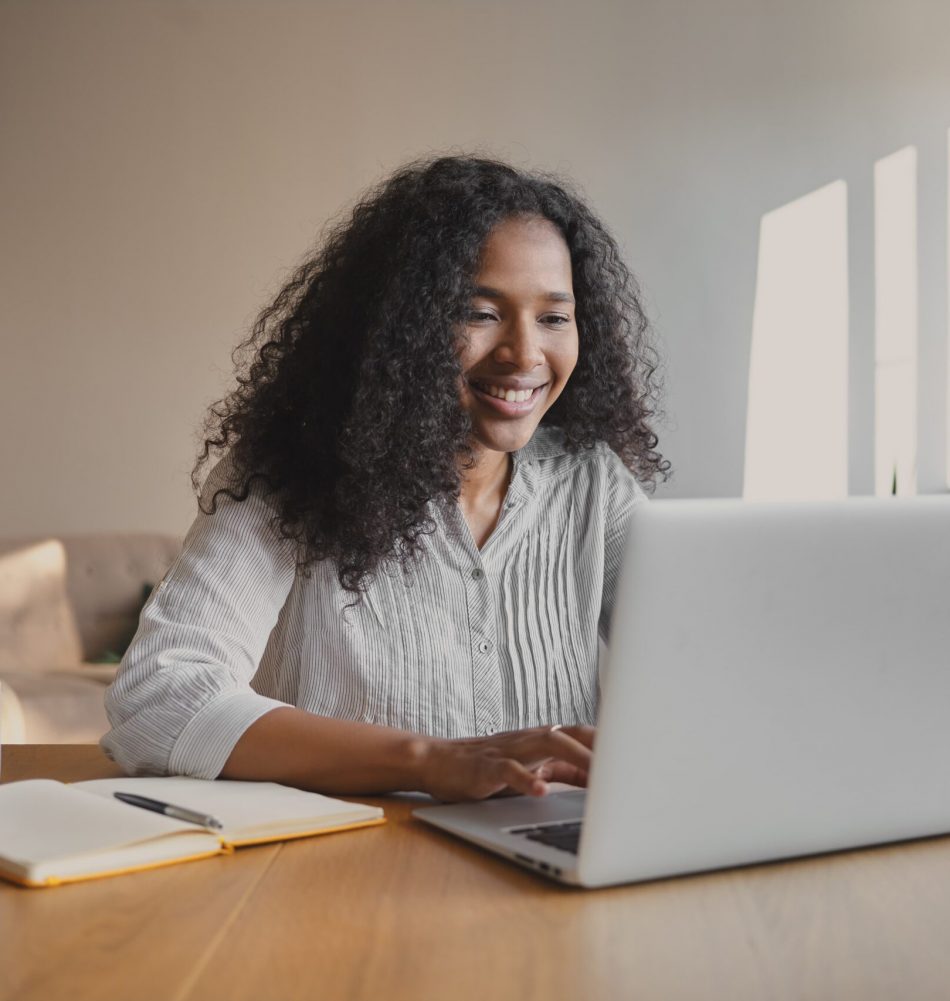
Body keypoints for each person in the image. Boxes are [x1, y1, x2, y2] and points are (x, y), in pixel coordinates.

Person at [102, 155, 669, 801]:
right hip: (341, 863)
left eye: (553, 317)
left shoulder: (593, 483)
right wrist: (430, 760)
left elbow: (704, 674)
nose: (524, 353)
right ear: (400, 326)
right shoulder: (288, 475)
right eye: (479, 313)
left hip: (548, 858)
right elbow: (159, 697)